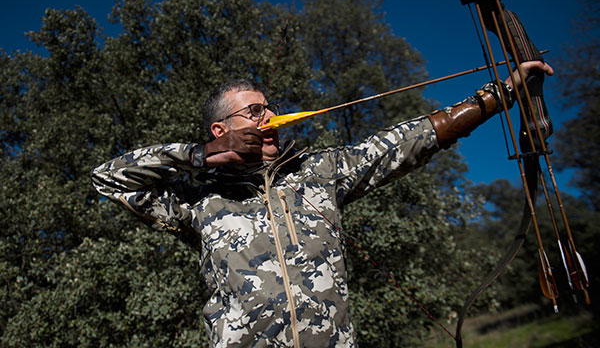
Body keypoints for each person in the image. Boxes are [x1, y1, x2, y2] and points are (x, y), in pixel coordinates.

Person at [91, 61, 553, 347]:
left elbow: (407, 141)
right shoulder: (200, 200)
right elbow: (108, 178)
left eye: (269, 108)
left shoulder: (319, 171)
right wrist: (197, 155)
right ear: (221, 130)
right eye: (254, 112)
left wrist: (503, 92)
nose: (269, 117)